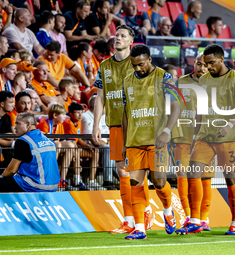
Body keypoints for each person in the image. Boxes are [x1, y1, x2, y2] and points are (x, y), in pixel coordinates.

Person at [93, 25, 153, 234]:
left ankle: (143, 211)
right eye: (116, 35)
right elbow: (100, 97)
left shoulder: (136, 63)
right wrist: (96, 125)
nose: (118, 38)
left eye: (123, 36)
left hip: (136, 124)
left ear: (130, 42)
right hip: (115, 124)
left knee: (134, 171)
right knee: (122, 172)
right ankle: (129, 219)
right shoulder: (104, 66)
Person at [187, 44, 235, 235]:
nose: (208, 67)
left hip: (227, 137)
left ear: (221, 59)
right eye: (205, 63)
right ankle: (196, 220)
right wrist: (194, 134)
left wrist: (229, 125)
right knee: (192, 174)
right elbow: (200, 110)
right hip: (205, 137)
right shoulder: (204, 80)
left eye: (211, 63)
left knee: (231, 179)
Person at [121, 44, 180, 240]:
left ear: (149, 60)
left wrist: (166, 131)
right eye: (133, 65)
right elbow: (125, 112)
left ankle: (167, 209)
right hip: (134, 141)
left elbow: (176, 105)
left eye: (140, 65)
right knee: (135, 183)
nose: (137, 69)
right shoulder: (127, 81)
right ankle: (139, 228)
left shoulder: (164, 77)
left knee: (159, 181)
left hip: (157, 141)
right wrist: (124, 141)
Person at [170, 53, 214, 234]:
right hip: (183, 138)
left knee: (204, 179)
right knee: (182, 177)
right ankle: (188, 217)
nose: (201, 68)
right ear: (193, 63)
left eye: (204, 65)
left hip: (205, 140)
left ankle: (203, 218)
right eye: (198, 64)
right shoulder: (180, 82)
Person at [0, 112, 61, 193]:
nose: (15, 128)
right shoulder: (49, 141)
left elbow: (11, 170)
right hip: (53, 185)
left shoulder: (23, 141)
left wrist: (2, 177)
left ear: (28, 124)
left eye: (18, 123)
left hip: (34, 185)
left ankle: (5, 205)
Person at [37, 104, 76, 190]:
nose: (65, 117)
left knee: (70, 145)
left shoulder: (60, 125)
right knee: (57, 144)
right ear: (55, 115)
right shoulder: (44, 124)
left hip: (55, 148)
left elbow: (62, 140)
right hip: (42, 150)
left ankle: (62, 179)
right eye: (63, 114)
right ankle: (51, 174)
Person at [81, 96, 109, 190]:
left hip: (103, 146)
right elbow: (93, 139)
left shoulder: (103, 116)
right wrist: (106, 144)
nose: (106, 107)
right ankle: (108, 180)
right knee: (108, 149)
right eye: (104, 105)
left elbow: (108, 135)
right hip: (90, 146)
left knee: (112, 149)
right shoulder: (85, 116)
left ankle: (121, 177)